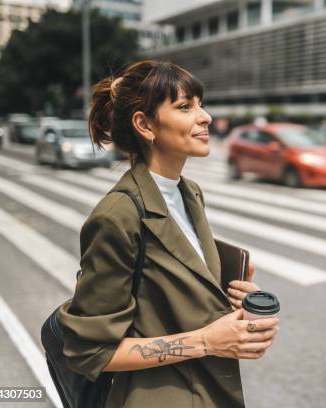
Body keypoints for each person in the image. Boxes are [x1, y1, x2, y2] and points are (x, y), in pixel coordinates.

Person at [57, 60, 279, 408]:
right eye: (185, 106)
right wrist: (207, 341)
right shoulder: (117, 216)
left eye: (200, 103)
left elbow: (174, 294)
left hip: (210, 391)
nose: (204, 116)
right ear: (145, 125)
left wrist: (234, 298)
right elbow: (91, 351)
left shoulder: (190, 193)